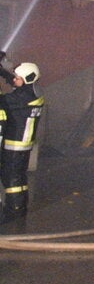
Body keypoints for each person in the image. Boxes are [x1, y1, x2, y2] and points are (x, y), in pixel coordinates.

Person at [0, 62, 44, 224]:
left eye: (17, 78)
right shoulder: (33, 92)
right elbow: (17, 85)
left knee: (11, 179)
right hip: (23, 144)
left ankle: (14, 212)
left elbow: (2, 100)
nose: (14, 80)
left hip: (15, 143)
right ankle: (19, 209)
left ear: (26, 79)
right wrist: (4, 73)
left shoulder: (20, 97)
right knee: (18, 177)